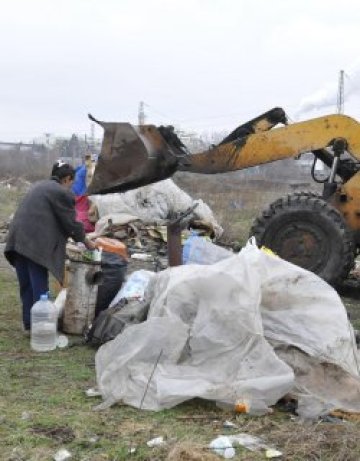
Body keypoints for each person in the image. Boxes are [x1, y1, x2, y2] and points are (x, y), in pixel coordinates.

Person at [4, 160, 95, 333]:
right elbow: (71, 223)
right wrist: (87, 242)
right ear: (67, 179)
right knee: (39, 287)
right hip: (34, 243)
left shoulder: (39, 186)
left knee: (26, 285)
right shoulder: (61, 193)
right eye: (73, 182)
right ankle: (41, 327)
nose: (72, 186)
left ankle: (29, 324)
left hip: (17, 239)